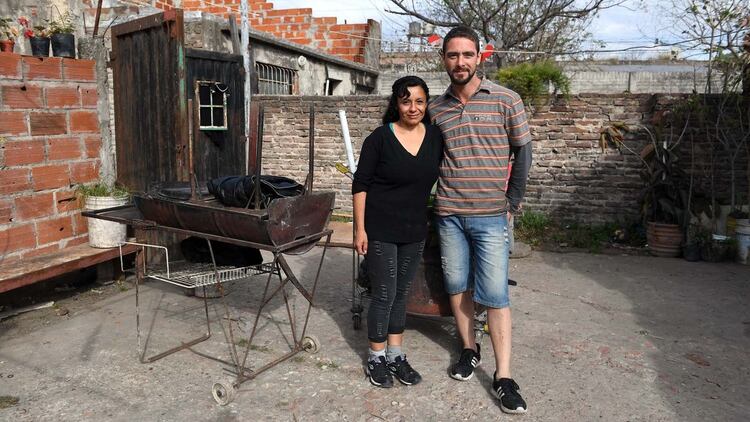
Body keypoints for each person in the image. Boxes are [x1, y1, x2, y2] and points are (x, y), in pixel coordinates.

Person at [428, 26, 532, 414]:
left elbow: (523, 152)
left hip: (491, 216)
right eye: (452, 56)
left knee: (496, 295)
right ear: (444, 60)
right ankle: (469, 351)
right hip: (450, 215)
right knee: (457, 287)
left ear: (480, 57)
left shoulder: (506, 100)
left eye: (466, 55)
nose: (460, 62)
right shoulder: (436, 109)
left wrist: (513, 201)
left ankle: (504, 377)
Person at [352, 76, 444, 388]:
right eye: (406, 101)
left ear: (427, 103)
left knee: (402, 295)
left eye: (419, 101)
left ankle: (395, 354)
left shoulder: (435, 137)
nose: (413, 107)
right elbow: (360, 185)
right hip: (380, 228)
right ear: (396, 104)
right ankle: (375, 358)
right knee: (384, 293)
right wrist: (359, 229)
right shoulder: (379, 138)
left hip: (415, 230)